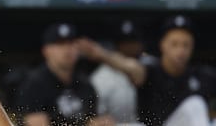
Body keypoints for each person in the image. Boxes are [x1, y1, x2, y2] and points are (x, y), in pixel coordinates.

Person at [79, 15, 216, 126]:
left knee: (195, 105)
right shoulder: (151, 71)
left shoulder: (202, 75)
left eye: (186, 45)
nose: (180, 51)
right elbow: (131, 67)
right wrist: (102, 54)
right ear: (162, 45)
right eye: (174, 44)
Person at [14, 22, 111, 126]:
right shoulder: (34, 84)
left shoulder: (85, 84)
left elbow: (94, 120)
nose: (67, 49)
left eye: (71, 43)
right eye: (60, 44)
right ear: (46, 51)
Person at [89, 20, 148, 124]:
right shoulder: (102, 76)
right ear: (116, 44)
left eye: (133, 41)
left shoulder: (150, 65)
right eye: (124, 42)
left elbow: (137, 72)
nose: (129, 46)